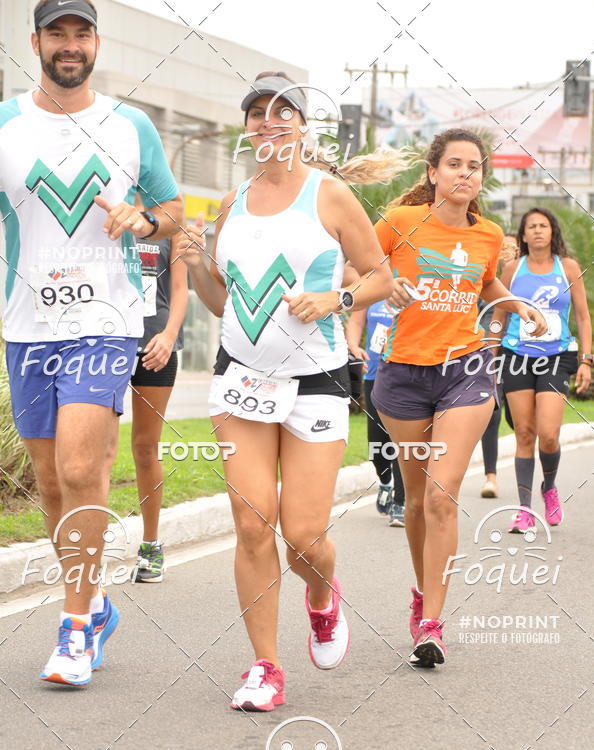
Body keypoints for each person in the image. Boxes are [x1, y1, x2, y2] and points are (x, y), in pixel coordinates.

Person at [175, 72, 395, 710]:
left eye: (282, 112)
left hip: (317, 381)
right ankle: (265, 666)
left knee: (301, 533)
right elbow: (219, 300)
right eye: (257, 114)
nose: (268, 123)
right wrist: (194, 264)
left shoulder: (331, 197)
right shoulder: (231, 203)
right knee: (251, 525)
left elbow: (383, 277)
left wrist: (337, 297)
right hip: (240, 377)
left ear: (303, 124)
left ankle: (323, 596)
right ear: (247, 128)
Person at [0, 0, 182, 686]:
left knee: (81, 469)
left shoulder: (130, 127)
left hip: (105, 322)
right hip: (27, 326)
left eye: (81, 33)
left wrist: (143, 219)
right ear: (37, 41)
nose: (70, 45)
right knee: (51, 481)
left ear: (97, 42)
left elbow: (172, 213)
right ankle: (97, 601)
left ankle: (74, 629)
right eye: (58, 33)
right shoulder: (6, 125)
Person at [371, 128, 547, 667]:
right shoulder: (399, 223)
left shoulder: (489, 234)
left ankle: (432, 623)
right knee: (418, 499)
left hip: (466, 371)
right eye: (454, 164)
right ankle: (423, 591)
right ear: (433, 173)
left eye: (474, 166)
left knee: (443, 494)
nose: (465, 173)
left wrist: (515, 304)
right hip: (402, 375)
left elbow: (485, 282)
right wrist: (383, 284)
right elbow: (359, 264)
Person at [496, 207, 593, 533]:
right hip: (516, 355)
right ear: (523, 235)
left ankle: (548, 487)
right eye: (531, 226)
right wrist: (490, 353)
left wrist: (586, 358)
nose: (538, 231)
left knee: (548, 435)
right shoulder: (512, 268)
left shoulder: (568, 268)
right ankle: (524, 510)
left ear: (552, 232)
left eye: (544, 225)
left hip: (555, 356)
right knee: (524, 433)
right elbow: (501, 313)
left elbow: (582, 316)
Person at [130, 204, 191, 583]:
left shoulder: (170, 225)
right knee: (97, 451)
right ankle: (88, 546)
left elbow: (182, 290)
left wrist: (168, 336)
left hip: (156, 348)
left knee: (144, 447)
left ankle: (151, 546)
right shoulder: (105, 209)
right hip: (107, 345)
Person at [346, 300, 406, 525]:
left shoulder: (413, 286)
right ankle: (385, 481)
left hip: (403, 376)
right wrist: (353, 346)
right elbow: (355, 320)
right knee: (377, 445)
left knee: (401, 443)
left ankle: (400, 503)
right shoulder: (374, 287)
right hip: (374, 375)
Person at [479, 233, 518, 498]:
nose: (506, 253)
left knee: (516, 418)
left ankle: (528, 459)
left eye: (512, 249)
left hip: (520, 353)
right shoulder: (483, 280)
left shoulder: (523, 280)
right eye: (502, 249)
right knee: (491, 412)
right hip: (487, 352)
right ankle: (490, 477)